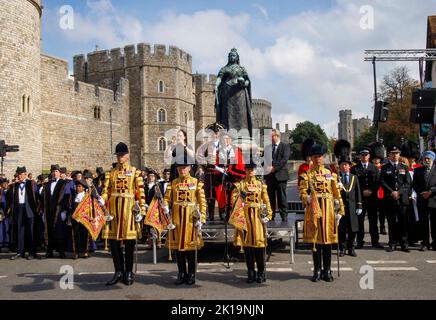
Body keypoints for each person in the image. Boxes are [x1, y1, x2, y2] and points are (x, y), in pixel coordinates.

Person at [102, 142, 147, 286]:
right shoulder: (111, 173)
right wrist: (101, 200)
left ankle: (128, 272)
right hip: (114, 211)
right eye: (118, 155)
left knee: (129, 243)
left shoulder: (135, 172)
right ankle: (118, 271)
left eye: (122, 155)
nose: (120, 158)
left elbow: (141, 193)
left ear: (127, 156)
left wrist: (142, 211)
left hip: (129, 211)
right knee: (114, 244)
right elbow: (105, 191)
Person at [299, 144, 345, 282]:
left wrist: (340, 208)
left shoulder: (331, 174)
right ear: (311, 158)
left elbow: (337, 193)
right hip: (314, 209)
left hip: (329, 210)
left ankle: (327, 269)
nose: (318, 159)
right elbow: (302, 191)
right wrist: (305, 198)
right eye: (315, 157)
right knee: (316, 241)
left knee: (327, 240)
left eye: (320, 156)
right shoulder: (307, 175)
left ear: (323, 158)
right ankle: (317, 269)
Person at [162, 162, 206, 286]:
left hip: (191, 220)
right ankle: (181, 273)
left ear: (189, 168)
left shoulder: (197, 183)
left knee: (191, 248)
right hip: (177, 220)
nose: (182, 170)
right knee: (178, 249)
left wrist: (201, 219)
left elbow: (202, 202)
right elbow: (167, 198)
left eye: (185, 167)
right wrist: (165, 205)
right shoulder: (173, 183)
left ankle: (191, 273)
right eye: (180, 167)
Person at [230, 161, 272, 283]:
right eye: (248, 169)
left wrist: (268, 215)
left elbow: (266, 200)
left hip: (258, 217)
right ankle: (250, 272)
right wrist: (240, 198)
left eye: (252, 169)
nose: (250, 171)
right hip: (245, 216)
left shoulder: (260, 185)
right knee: (247, 246)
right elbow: (233, 201)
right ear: (245, 170)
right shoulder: (240, 185)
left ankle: (261, 271)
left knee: (259, 245)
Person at [380, 145, 412, 252]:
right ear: (388, 155)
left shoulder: (404, 167)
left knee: (403, 222)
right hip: (390, 199)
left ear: (399, 154)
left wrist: (399, 192)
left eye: (397, 153)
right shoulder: (384, 167)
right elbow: (382, 182)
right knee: (391, 222)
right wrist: (391, 192)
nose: (395, 155)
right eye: (393, 153)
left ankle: (404, 243)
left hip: (402, 199)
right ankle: (392, 243)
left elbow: (407, 183)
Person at [215, 48, 253, 137]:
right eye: (230, 56)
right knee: (227, 114)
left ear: (237, 57)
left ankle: (242, 135)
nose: (232, 57)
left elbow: (248, 81)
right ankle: (228, 135)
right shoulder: (224, 68)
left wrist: (244, 83)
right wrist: (216, 85)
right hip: (227, 94)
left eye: (234, 55)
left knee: (241, 114)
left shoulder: (241, 69)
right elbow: (219, 78)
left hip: (240, 94)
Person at [351, 147, 383, 249]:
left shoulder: (374, 168)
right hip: (360, 198)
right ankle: (360, 241)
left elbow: (378, 181)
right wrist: (362, 191)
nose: (364, 157)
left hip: (372, 197)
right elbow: (354, 183)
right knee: (360, 220)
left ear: (369, 156)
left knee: (373, 220)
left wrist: (371, 191)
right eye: (362, 155)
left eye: (366, 155)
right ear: (360, 156)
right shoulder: (354, 168)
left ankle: (375, 241)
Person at [8, 167, 39, 260]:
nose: (19, 176)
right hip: (19, 209)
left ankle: (31, 252)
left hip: (29, 209)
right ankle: (20, 251)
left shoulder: (31, 183)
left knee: (30, 231)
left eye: (21, 174)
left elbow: (37, 195)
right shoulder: (15, 185)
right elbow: (10, 198)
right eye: (18, 174)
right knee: (20, 231)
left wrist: (37, 209)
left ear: (25, 174)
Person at [196, 123, 226, 221]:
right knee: (209, 195)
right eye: (212, 133)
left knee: (221, 194)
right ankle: (211, 214)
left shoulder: (224, 146)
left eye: (216, 133)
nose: (215, 135)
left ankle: (222, 213)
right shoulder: (205, 146)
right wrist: (205, 164)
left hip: (220, 173)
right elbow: (199, 156)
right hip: (209, 173)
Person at [42, 164, 71, 258]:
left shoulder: (63, 183)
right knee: (49, 230)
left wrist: (64, 211)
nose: (55, 173)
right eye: (53, 171)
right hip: (49, 211)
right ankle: (49, 251)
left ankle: (61, 252)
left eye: (56, 171)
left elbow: (67, 198)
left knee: (59, 231)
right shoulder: (47, 184)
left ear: (59, 173)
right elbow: (44, 199)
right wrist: (43, 212)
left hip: (59, 211)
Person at [264, 129, 291, 222]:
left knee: (281, 197)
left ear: (277, 136)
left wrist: (274, 168)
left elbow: (284, 160)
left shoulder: (285, 146)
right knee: (270, 197)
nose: (269, 138)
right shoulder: (267, 147)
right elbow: (264, 160)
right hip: (270, 177)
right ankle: (271, 216)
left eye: (271, 136)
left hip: (281, 175)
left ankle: (284, 217)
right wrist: (266, 167)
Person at [338, 156, 362, 257]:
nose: (344, 166)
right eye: (342, 164)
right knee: (342, 229)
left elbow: (358, 192)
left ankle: (351, 248)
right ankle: (342, 248)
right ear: (339, 166)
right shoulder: (336, 177)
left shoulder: (354, 177)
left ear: (349, 166)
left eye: (346, 164)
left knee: (353, 229)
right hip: (341, 207)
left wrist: (359, 206)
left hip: (352, 207)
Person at [413, 150, 436, 251]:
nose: (426, 160)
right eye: (425, 158)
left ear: (433, 159)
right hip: (422, 199)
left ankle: (435, 243)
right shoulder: (418, 170)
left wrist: (430, 192)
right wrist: (422, 192)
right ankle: (425, 242)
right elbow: (414, 184)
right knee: (423, 222)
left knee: (435, 222)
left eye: (429, 158)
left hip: (433, 199)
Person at [370, 142, 387, 235]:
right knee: (373, 213)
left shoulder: (383, 168)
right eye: (374, 159)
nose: (376, 160)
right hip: (373, 192)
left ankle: (382, 226)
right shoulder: (370, 168)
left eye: (377, 159)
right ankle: (374, 227)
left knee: (382, 212)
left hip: (382, 191)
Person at [71, 179, 90, 259]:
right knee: (76, 235)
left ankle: (85, 251)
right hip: (75, 219)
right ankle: (76, 252)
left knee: (85, 235)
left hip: (84, 219)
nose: (77, 188)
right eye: (77, 186)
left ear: (83, 187)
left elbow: (89, 208)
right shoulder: (74, 196)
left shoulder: (86, 196)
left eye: (79, 186)